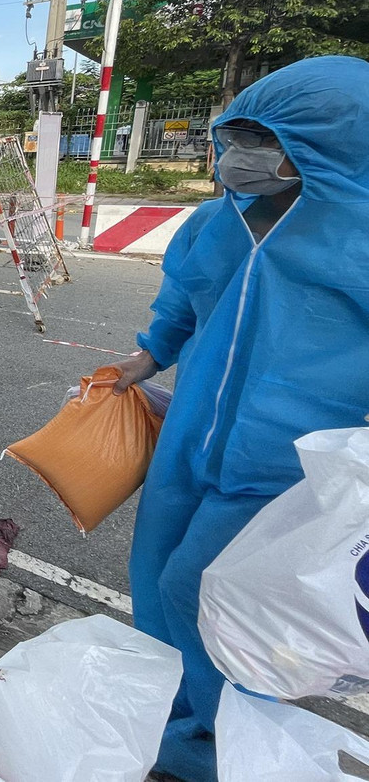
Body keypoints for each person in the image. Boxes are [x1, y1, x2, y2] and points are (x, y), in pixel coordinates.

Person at [111, 56, 369, 782]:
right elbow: (181, 308)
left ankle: (225, 743)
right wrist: (140, 362)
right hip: (191, 440)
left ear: (331, 144)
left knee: (217, 602)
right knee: (156, 577)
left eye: (261, 139)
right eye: (234, 135)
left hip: (290, 464)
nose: (237, 155)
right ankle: (173, 717)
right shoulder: (213, 222)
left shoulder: (359, 238)